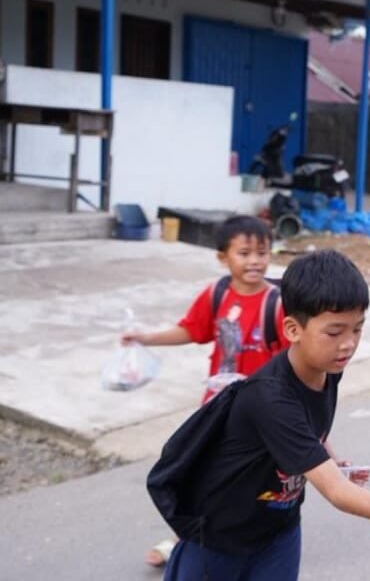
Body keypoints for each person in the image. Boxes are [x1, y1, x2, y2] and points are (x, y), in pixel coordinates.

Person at [161, 249, 370, 580]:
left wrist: (333, 461)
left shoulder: (328, 366)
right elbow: (337, 493)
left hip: (278, 533)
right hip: (217, 542)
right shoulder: (270, 399)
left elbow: (309, 426)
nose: (348, 344)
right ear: (292, 329)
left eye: (357, 329)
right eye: (335, 332)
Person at [124, 214, 291, 565]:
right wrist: (145, 338)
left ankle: (265, 539)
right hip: (217, 411)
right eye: (244, 253)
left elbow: (292, 362)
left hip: (262, 416)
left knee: (256, 483)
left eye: (262, 252)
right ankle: (185, 538)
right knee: (202, 478)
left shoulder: (276, 305)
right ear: (222, 257)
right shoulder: (216, 295)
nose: (255, 261)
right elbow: (191, 330)